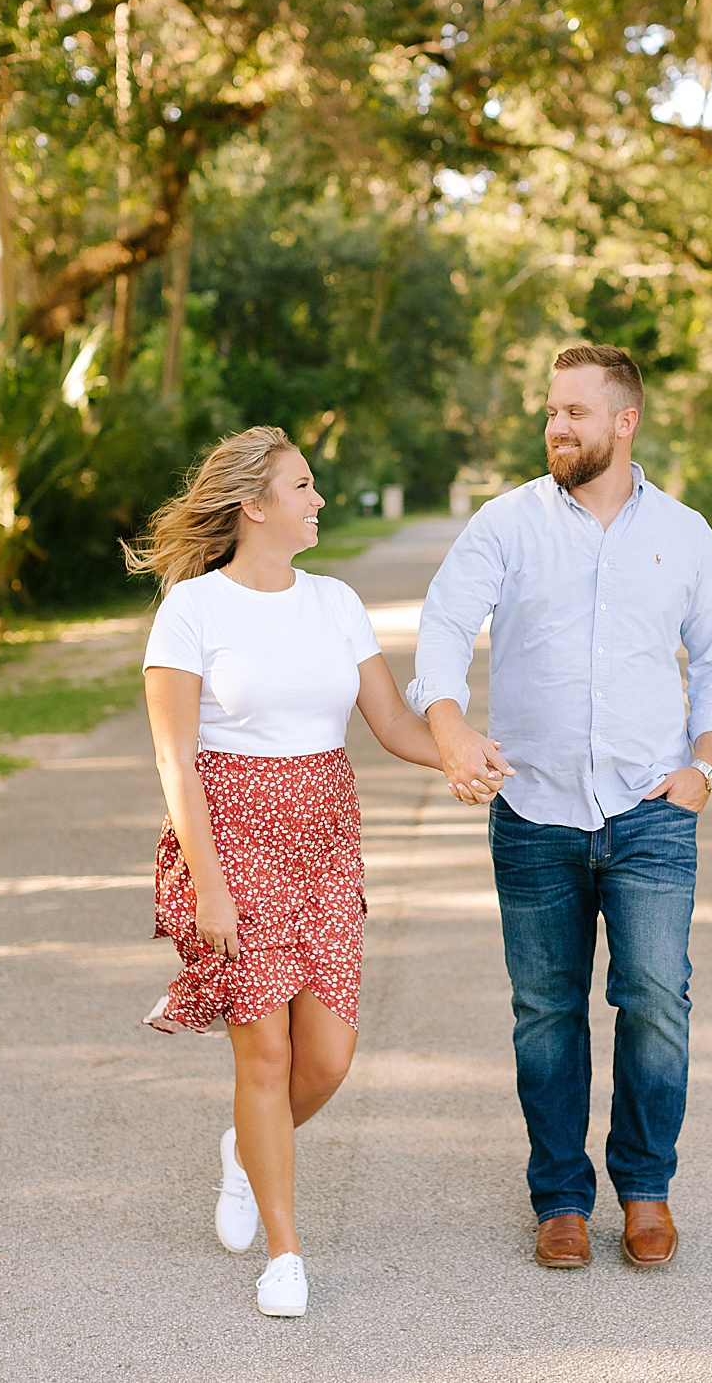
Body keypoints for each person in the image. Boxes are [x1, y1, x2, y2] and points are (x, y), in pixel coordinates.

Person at [407, 343, 712, 1272]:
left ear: (625, 422)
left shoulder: (684, 532)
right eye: (551, 411)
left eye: (576, 413)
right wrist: (449, 728)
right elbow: (442, 627)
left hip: (649, 814)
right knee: (546, 1011)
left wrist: (704, 769)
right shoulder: (506, 524)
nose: (557, 427)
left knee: (655, 1003)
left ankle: (645, 1190)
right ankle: (559, 1196)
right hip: (534, 813)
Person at [129, 425, 471, 1319]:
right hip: (232, 843)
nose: (319, 499)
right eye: (304, 485)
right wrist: (206, 882)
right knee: (267, 1051)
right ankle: (285, 1255)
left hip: (325, 839)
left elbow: (393, 726)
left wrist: (463, 760)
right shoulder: (192, 610)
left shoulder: (336, 602)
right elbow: (175, 763)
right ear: (255, 504)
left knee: (327, 1057)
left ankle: (247, 1149)